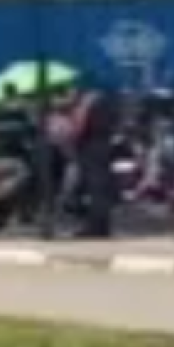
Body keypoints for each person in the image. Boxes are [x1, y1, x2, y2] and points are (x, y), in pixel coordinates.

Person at [71, 85, 118, 238]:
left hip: (91, 146)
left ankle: (95, 228)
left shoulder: (87, 103)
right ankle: (103, 227)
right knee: (102, 188)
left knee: (95, 189)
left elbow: (79, 128)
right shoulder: (109, 103)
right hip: (105, 145)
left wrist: (75, 141)